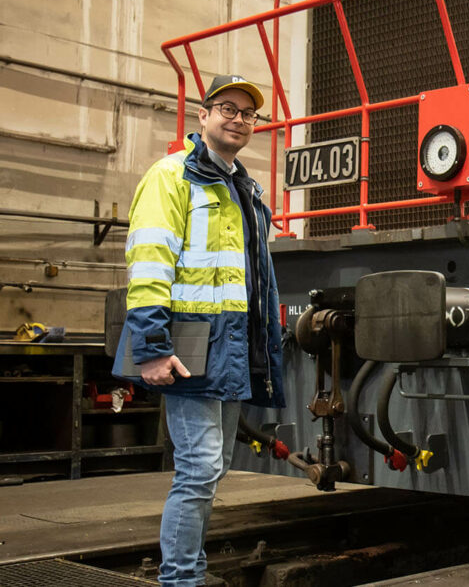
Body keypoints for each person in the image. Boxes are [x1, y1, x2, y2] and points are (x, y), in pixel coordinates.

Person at [113, 74, 285, 587]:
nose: (238, 118)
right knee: (199, 470)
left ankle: (191, 572)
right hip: (187, 351)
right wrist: (150, 348)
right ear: (203, 116)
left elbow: (252, 281)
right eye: (227, 108)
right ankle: (181, 579)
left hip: (230, 348)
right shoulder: (171, 177)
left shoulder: (245, 189)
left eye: (248, 113)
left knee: (214, 470)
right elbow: (148, 264)